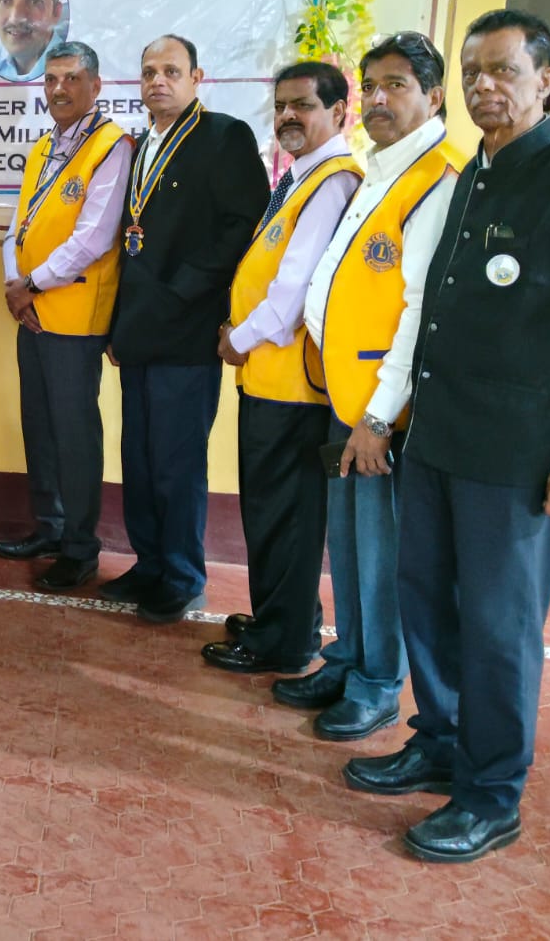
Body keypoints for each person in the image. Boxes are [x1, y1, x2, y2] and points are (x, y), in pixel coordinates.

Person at [345, 9, 550, 863]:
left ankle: (490, 793)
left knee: (500, 627)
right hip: (437, 443)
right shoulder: (460, 181)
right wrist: (382, 413)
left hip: (517, 458)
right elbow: (419, 315)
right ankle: (438, 742)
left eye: (504, 71)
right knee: (428, 601)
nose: (485, 86)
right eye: (474, 71)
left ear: (548, 81)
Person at [275, 33, 461, 741]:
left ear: (434, 97)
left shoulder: (436, 181)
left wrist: (379, 418)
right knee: (348, 546)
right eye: (373, 87)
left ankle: (379, 682)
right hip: (346, 398)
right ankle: (350, 655)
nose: (380, 99)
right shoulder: (382, 170)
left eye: (398, 86)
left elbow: (419, 312)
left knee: (381, 554)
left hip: (383, 413)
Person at [204, 62, 360, 674]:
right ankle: (280, 617)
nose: (289, 117)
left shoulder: (331, 182)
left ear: (339, 112)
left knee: (285, 516)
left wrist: (237, 338)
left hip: (292, 382)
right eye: (282, 106)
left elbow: (293, 290)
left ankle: (285, 640)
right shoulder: (302, 176)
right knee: (271, 510)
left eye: (304, 105)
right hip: (270, 377)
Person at [107, 36, 269, 620]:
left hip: (186, 327)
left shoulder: (224, 136)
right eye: (149, 71)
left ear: (197, 76)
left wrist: (180, 294)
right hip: (138, 326)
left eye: (171, 71)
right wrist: (120, 321)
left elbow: (240, 227)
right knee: (140, 456)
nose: (158, 81)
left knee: (176, 460)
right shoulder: (141, 141)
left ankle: (181, 574)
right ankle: (149, 562)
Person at [0, 43, 131, 591]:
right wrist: (15, 284)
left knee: (74, 435)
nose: (58, 89)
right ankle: (49, 527)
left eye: (72, 78)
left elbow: (94, 238)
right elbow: (17, 225)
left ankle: (79, 547)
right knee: (41, 426)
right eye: (50, 79)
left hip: (74, 315)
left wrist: (30, 284)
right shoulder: (44, 146)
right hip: (31, 312)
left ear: (96, 85)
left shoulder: (111, 145)